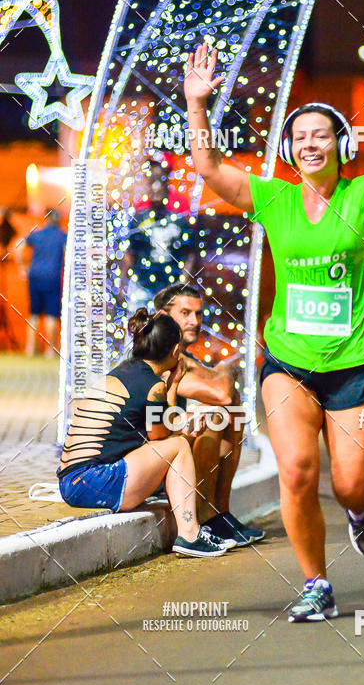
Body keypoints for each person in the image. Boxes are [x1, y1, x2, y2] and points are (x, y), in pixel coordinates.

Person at [185, 41, 364, 620]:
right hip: (287, 362)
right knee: (297, 469)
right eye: (300, 136)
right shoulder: (273, 198)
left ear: (342, 145)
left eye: (322, 134)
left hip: (355, 365)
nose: (310, 143)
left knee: (352, 484)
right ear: (290, 149)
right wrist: (198, 104)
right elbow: (208, 168)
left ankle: (361, 513)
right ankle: (316, 584)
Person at [57, 307, 228, 557]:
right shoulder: (154, 386)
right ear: (174, 350)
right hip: (91, 481)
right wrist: (175, 387)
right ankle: (190, 533)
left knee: (175, 444)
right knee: (179, 446)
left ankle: (191, 529)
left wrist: (174, 384)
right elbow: (161, 437)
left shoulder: (125, 370)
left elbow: (158, 431)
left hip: (70, 481)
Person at [153, 282, 265, 546]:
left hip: (167, 445)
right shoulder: (162, 356)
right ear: (162, 316)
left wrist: (223, 375)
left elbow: (224, 393)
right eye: (185, 313)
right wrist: (227, 367)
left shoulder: (183, 356)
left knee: (233, 410)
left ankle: (221, 512)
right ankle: (208, 514)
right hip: (148, 455)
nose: (194, 321)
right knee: (217, 412)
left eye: (199, 314)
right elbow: (222, 393)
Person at [119, 160, 200, 310]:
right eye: (152, 181)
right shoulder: (139, 216)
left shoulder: (178, 218)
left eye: (160, 181)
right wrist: (123, 284)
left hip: (170, 286)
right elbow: (129, 253)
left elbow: (190, 253)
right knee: (139, 329)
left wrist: (184, 284)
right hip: (142, 285)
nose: (156, 188)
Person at [19, 210, 67, 357]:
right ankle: (49, 350)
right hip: (52, 278)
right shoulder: (61, 235)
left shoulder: (37, 234)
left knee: (34, 313)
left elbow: (19, 245)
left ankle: (30, 349)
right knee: (51, 315)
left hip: (35, 276)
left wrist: (23, 267)